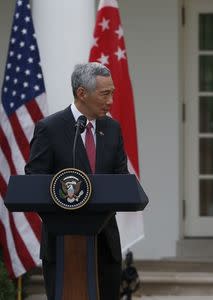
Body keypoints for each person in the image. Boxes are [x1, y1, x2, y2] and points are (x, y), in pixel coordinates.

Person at [25, 62, 127, 300]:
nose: (111, 100)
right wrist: (62, 216)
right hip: (62, 244)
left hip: (105, 244)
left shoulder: (112, 129)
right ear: (82, 93)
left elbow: (121, 181)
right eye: (105, 94)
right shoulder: (49, 128)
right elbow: (34, 180)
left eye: (112, 93)